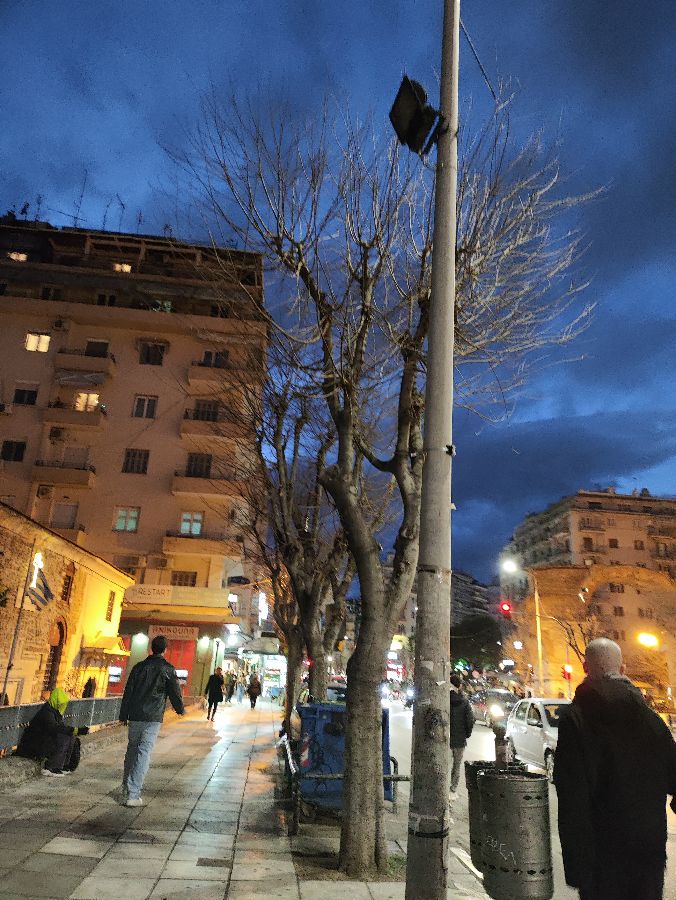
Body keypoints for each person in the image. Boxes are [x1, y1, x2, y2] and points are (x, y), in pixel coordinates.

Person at [554, 638, 676, 900]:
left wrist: (576, 868)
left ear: (585, 667)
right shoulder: (651, 721)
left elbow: (572, 797)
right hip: (648, 854)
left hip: (601, 856)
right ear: (622, 669)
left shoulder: (576, 721)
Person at [119, 634, 184, 807]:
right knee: (144, 752)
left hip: (135, 715)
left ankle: (126, 788)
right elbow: (175, 692)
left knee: (132, 750)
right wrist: (180, 709)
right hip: (152, 717)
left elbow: (128, 691)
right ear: (165, 650)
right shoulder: (168, 669)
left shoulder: (138, 667)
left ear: (151, 648)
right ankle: (133, 794)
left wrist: (123, 714)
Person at [16, 687, 87, 776]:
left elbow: (60, 727)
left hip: (43, 741)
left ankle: (66, 766)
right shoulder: (47, 712)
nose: (62, 706)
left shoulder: (54, 712)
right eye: (60, 704)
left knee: (71, 737)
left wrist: (75, 731)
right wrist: (74, 730)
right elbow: (54, 728)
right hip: (33, 744)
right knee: (64, 738)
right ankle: (51, 767)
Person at [449, 674, 474, 799]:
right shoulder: (464, 701)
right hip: (459, 739)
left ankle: (442, 786)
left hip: (446, 738)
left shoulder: (444, 699)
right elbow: (470, 720)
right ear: (459, 685)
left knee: (445, 764)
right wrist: (467, 734)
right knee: (456, 765)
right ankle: (453, 788)